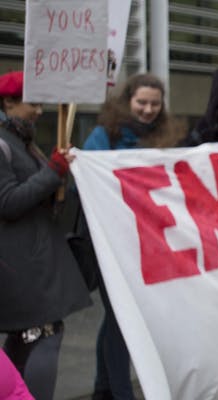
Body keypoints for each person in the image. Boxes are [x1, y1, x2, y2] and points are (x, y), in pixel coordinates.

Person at [83, 73, 184, 400]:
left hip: (149, 242)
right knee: (122, 319)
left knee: (117, 318)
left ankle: (103, 388)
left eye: (155, 104)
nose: (148, 110)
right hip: (112, 242)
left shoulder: (167, 139)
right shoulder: (103, 136)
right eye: (142, 102)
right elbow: (84, 184)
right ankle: (122, 392)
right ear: (128, 102)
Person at [0, 70, 92, 400]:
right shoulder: (3, 144)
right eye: (33, 103)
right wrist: (52, 172)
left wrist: (56, 181)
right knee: (43, 334)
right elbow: (8, 202)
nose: (39, 111)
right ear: (9, 103)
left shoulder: (23, 142)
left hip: (33, 263)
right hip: (22, 267)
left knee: (30, 337)